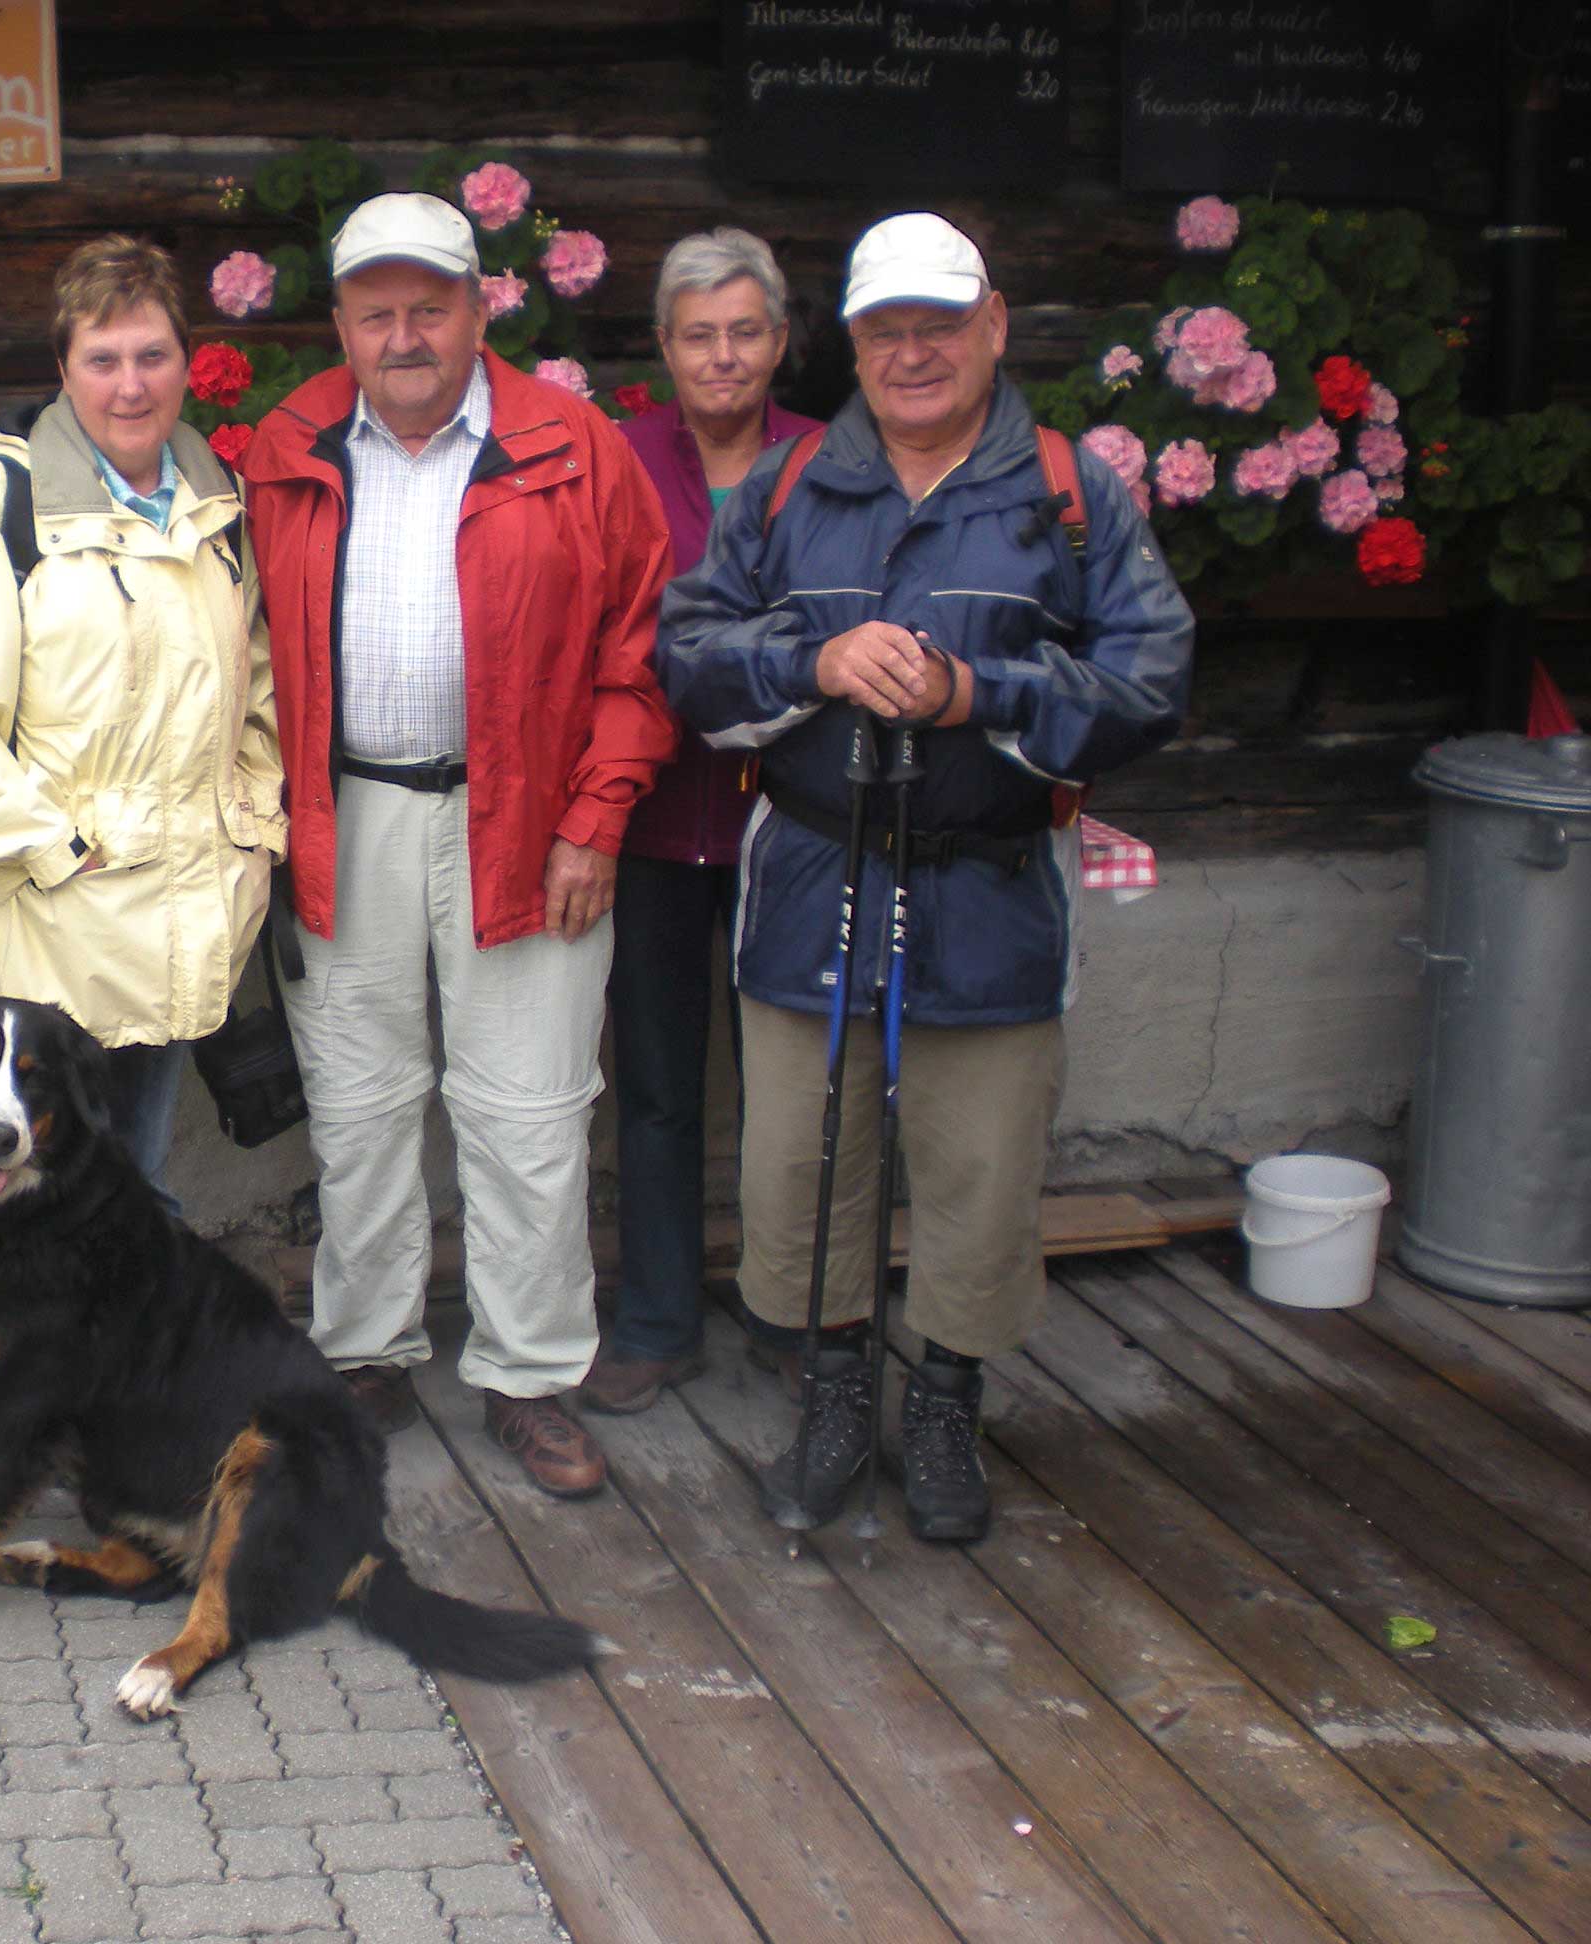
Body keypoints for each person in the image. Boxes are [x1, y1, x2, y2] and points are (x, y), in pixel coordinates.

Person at [656, 212, 1193, 1542]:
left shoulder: (1070, 490)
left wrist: (975, 691)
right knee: (802, 1160)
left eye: (937, 328)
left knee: (979, 1163)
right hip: (812, 883)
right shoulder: (791, 488)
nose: (912, 355)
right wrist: (813, 664)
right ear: (851, 344)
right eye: (886, 332)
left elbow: (1151, 679)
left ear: (994, 325)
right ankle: (833, 1397)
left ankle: (946, 1404)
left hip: (989, 883)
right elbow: (690, 650)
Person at [241, 192, 675, 1499]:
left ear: (480, 305)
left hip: (534, 825)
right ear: (340, 324)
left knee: (530, 1111)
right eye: (376, 311)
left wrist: (596, 819)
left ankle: (530, 1374)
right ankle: (367, 1352)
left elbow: (637, 653)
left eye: (428, 304)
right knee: (361, 1106)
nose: (404, 332)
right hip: (345, 815)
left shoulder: (573, 445)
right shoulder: (286, 443)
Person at [0, 236, 280, 1206]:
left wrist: (253, 821)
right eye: (102, 360)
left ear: (187, 364)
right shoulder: (0, 512)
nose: (130, 386)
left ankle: (116, 1359)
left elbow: (257, 697)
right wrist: (54, 846)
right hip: (60, 918)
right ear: (64, 369)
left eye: (152, 356)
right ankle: (43, 1361)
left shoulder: (213, 512)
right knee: (38, 1200)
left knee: (127, 1182)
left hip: (179, 908)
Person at [580, 226, 822, 1418]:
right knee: (660, 1084)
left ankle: (798, 1311)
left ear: (780, 342)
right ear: (665, 350)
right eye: (698, 336)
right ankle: (659, 1319)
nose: (722, 358)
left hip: (802, 826)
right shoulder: (616, 457)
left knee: (801, 1083)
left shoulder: (836, 462)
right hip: (656, 821)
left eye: (745, 333)